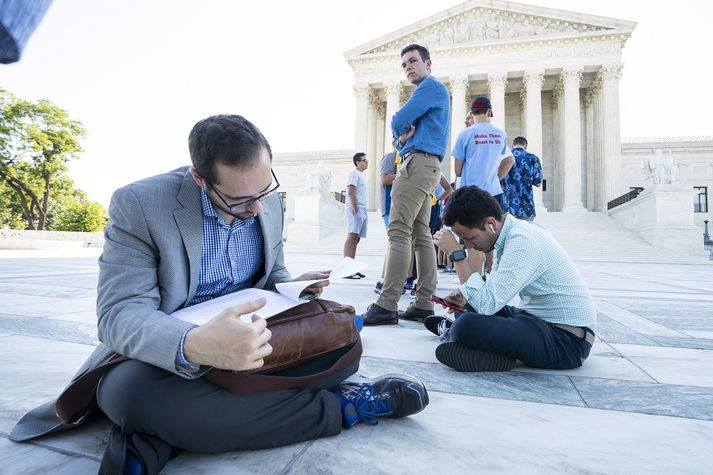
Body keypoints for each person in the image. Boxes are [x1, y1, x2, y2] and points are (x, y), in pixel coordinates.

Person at [10, 114, 429, 474]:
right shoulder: (139, 204)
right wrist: (195, 345)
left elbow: (270, 276)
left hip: (253, 342)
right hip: (169, 358)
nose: (256, 209)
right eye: (239, 200)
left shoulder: (266, 201)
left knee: (345, 345)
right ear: (200, 179)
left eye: (264, 192)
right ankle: (342, 409)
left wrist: (294, 286)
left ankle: (161, 440)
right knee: (129, 396)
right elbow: (119, 314)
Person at [429, 186, 596, 372]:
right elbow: (488, 296)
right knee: (468, 306)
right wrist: (464, 296)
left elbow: (487, 305)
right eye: (463, 241)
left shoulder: (522, 241)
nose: (469, 246)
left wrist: (455, 254)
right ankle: (468, 341)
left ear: (490, 223)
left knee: (465, 325)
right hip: (539, 322)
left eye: (469, 238)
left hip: (567, 342)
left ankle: (458, 336)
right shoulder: (509, 235)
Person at [362, 43, 450, 326]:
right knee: (420, 233)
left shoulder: (429, 88)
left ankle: (387, 303)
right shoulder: (434, 91)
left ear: (428, 62)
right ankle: (424, 303)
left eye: (413, 61)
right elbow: (403, 131)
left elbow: (398, 120)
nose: (408, 67)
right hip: (428, 165)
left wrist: (402, 136)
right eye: (404, 64)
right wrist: (403, 139)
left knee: (399, 230)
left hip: (417, 164)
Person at [452, 96, 514, 275]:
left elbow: (457, 170)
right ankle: (494, 277)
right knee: (493, 238)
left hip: (471, 194)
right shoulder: (501, 134)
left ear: (472, 112)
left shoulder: (465, 134)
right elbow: (505, 158)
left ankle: (475, 280)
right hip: (493, 193)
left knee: (473, 240)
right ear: (490, 111)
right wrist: (494, 176)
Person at [500, 136, 543, 221]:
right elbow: (538, 183)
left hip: (508, 206)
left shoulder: (504, 157)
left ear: (513, 145)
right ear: (526, 146)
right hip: (526, 206)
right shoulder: (533, 158)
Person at [343, 152, 368, 278]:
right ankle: (346, 270)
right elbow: (351, 191)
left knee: (356, 238)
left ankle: (351, 268)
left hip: (362, 209)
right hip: (355, 208)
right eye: (364, 160)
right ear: (357, 162)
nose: (366, 162)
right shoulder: (353, 174)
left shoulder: (361, 175)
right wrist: (355, 209)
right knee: (352, 237)